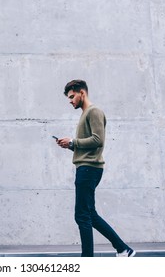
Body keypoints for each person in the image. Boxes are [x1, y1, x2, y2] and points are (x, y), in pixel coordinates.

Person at [56, 79, 135, 257]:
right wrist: (69, 145)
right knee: (89, 214)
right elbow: (88, 144)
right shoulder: (85, 114)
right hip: (86, 168)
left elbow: (98, 140)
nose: (70, 101)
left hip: (89, 169)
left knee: (82, 215)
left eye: (72, 96)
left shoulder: (94, 112)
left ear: (81, 93)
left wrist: (73, 141)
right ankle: (123, 249)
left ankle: (88, 260)